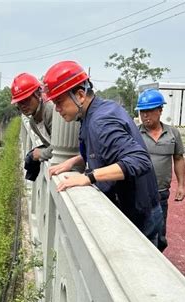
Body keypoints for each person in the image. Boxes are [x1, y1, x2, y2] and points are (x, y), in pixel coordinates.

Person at [44, 61, 162, 247]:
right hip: (144, 204)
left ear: (80, 95)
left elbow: (139, 160)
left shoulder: (101, 121)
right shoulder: (98, 109)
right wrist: (74, 161)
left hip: (139, 213)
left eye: (59, 102)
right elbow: (105, 149)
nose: (57, 109)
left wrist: (89, 177)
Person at [137, 88, 185, 252]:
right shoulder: (135, 133)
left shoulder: (173, 134)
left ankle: (156, 259)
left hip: (161, 193)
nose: (145, 115)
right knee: (138, 230)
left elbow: (178, 158)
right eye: (142, 111)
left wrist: (181, 185)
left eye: (149, 111)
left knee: (160, 234)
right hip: (138, 192)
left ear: (160, 110)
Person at [11, 73, 54, 180]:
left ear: (38, 94)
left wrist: (42, 153)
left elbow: (59, 148)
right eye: (20, 103)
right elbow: (49, 144)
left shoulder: (50, 111)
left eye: (26, 100)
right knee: (30, 158)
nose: (23, 106)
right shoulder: (33, 122)